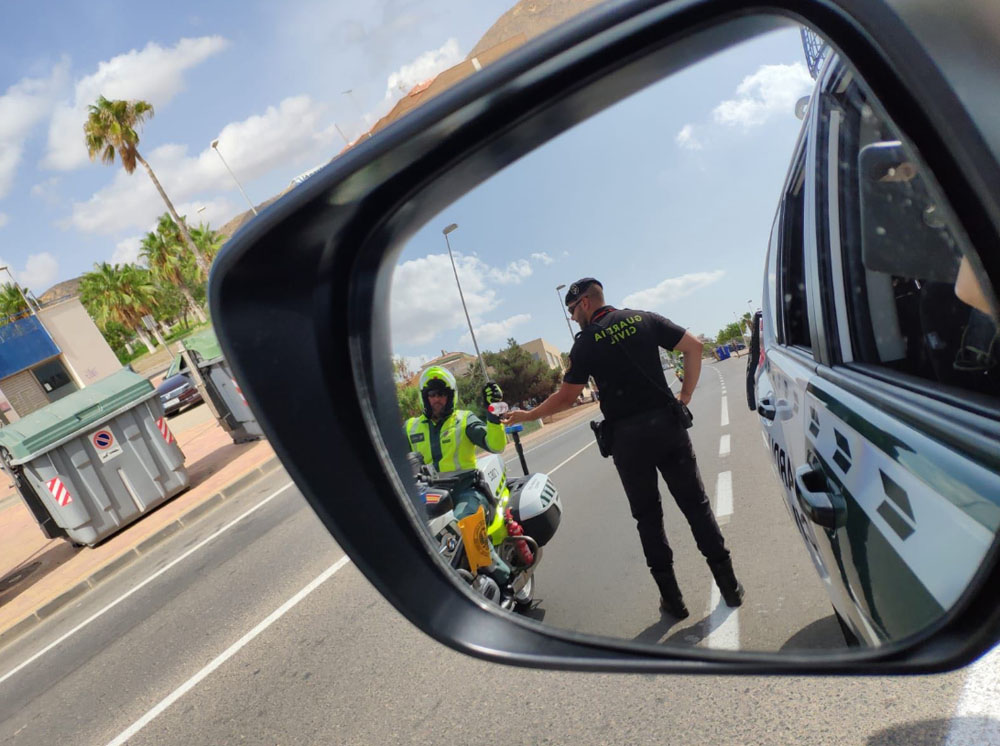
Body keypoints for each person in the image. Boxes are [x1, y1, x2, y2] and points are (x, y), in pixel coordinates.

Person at [503, 278, 743, 618]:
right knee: (697, 506)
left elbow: (567, 397)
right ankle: (730, 587)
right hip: (668, 428)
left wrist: (529, 414)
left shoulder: (585, 344)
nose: (572, 318)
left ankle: (673, 601)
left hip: (628, 441)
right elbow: (693, 347)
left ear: (585, 303)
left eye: (572, 310)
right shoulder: (644, 319)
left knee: (648, 519)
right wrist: (685, 395)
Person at [404, 365, 510, 582]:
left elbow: (496, 445)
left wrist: (493, 413)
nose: (437, 399)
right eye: (432, 394)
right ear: (424, 397)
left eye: (441, 394)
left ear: (451, 396)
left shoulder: (464, 419)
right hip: (429, 498)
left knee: (463, 524)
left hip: (467, 491)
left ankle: (504, 579)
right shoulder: (410, 427)